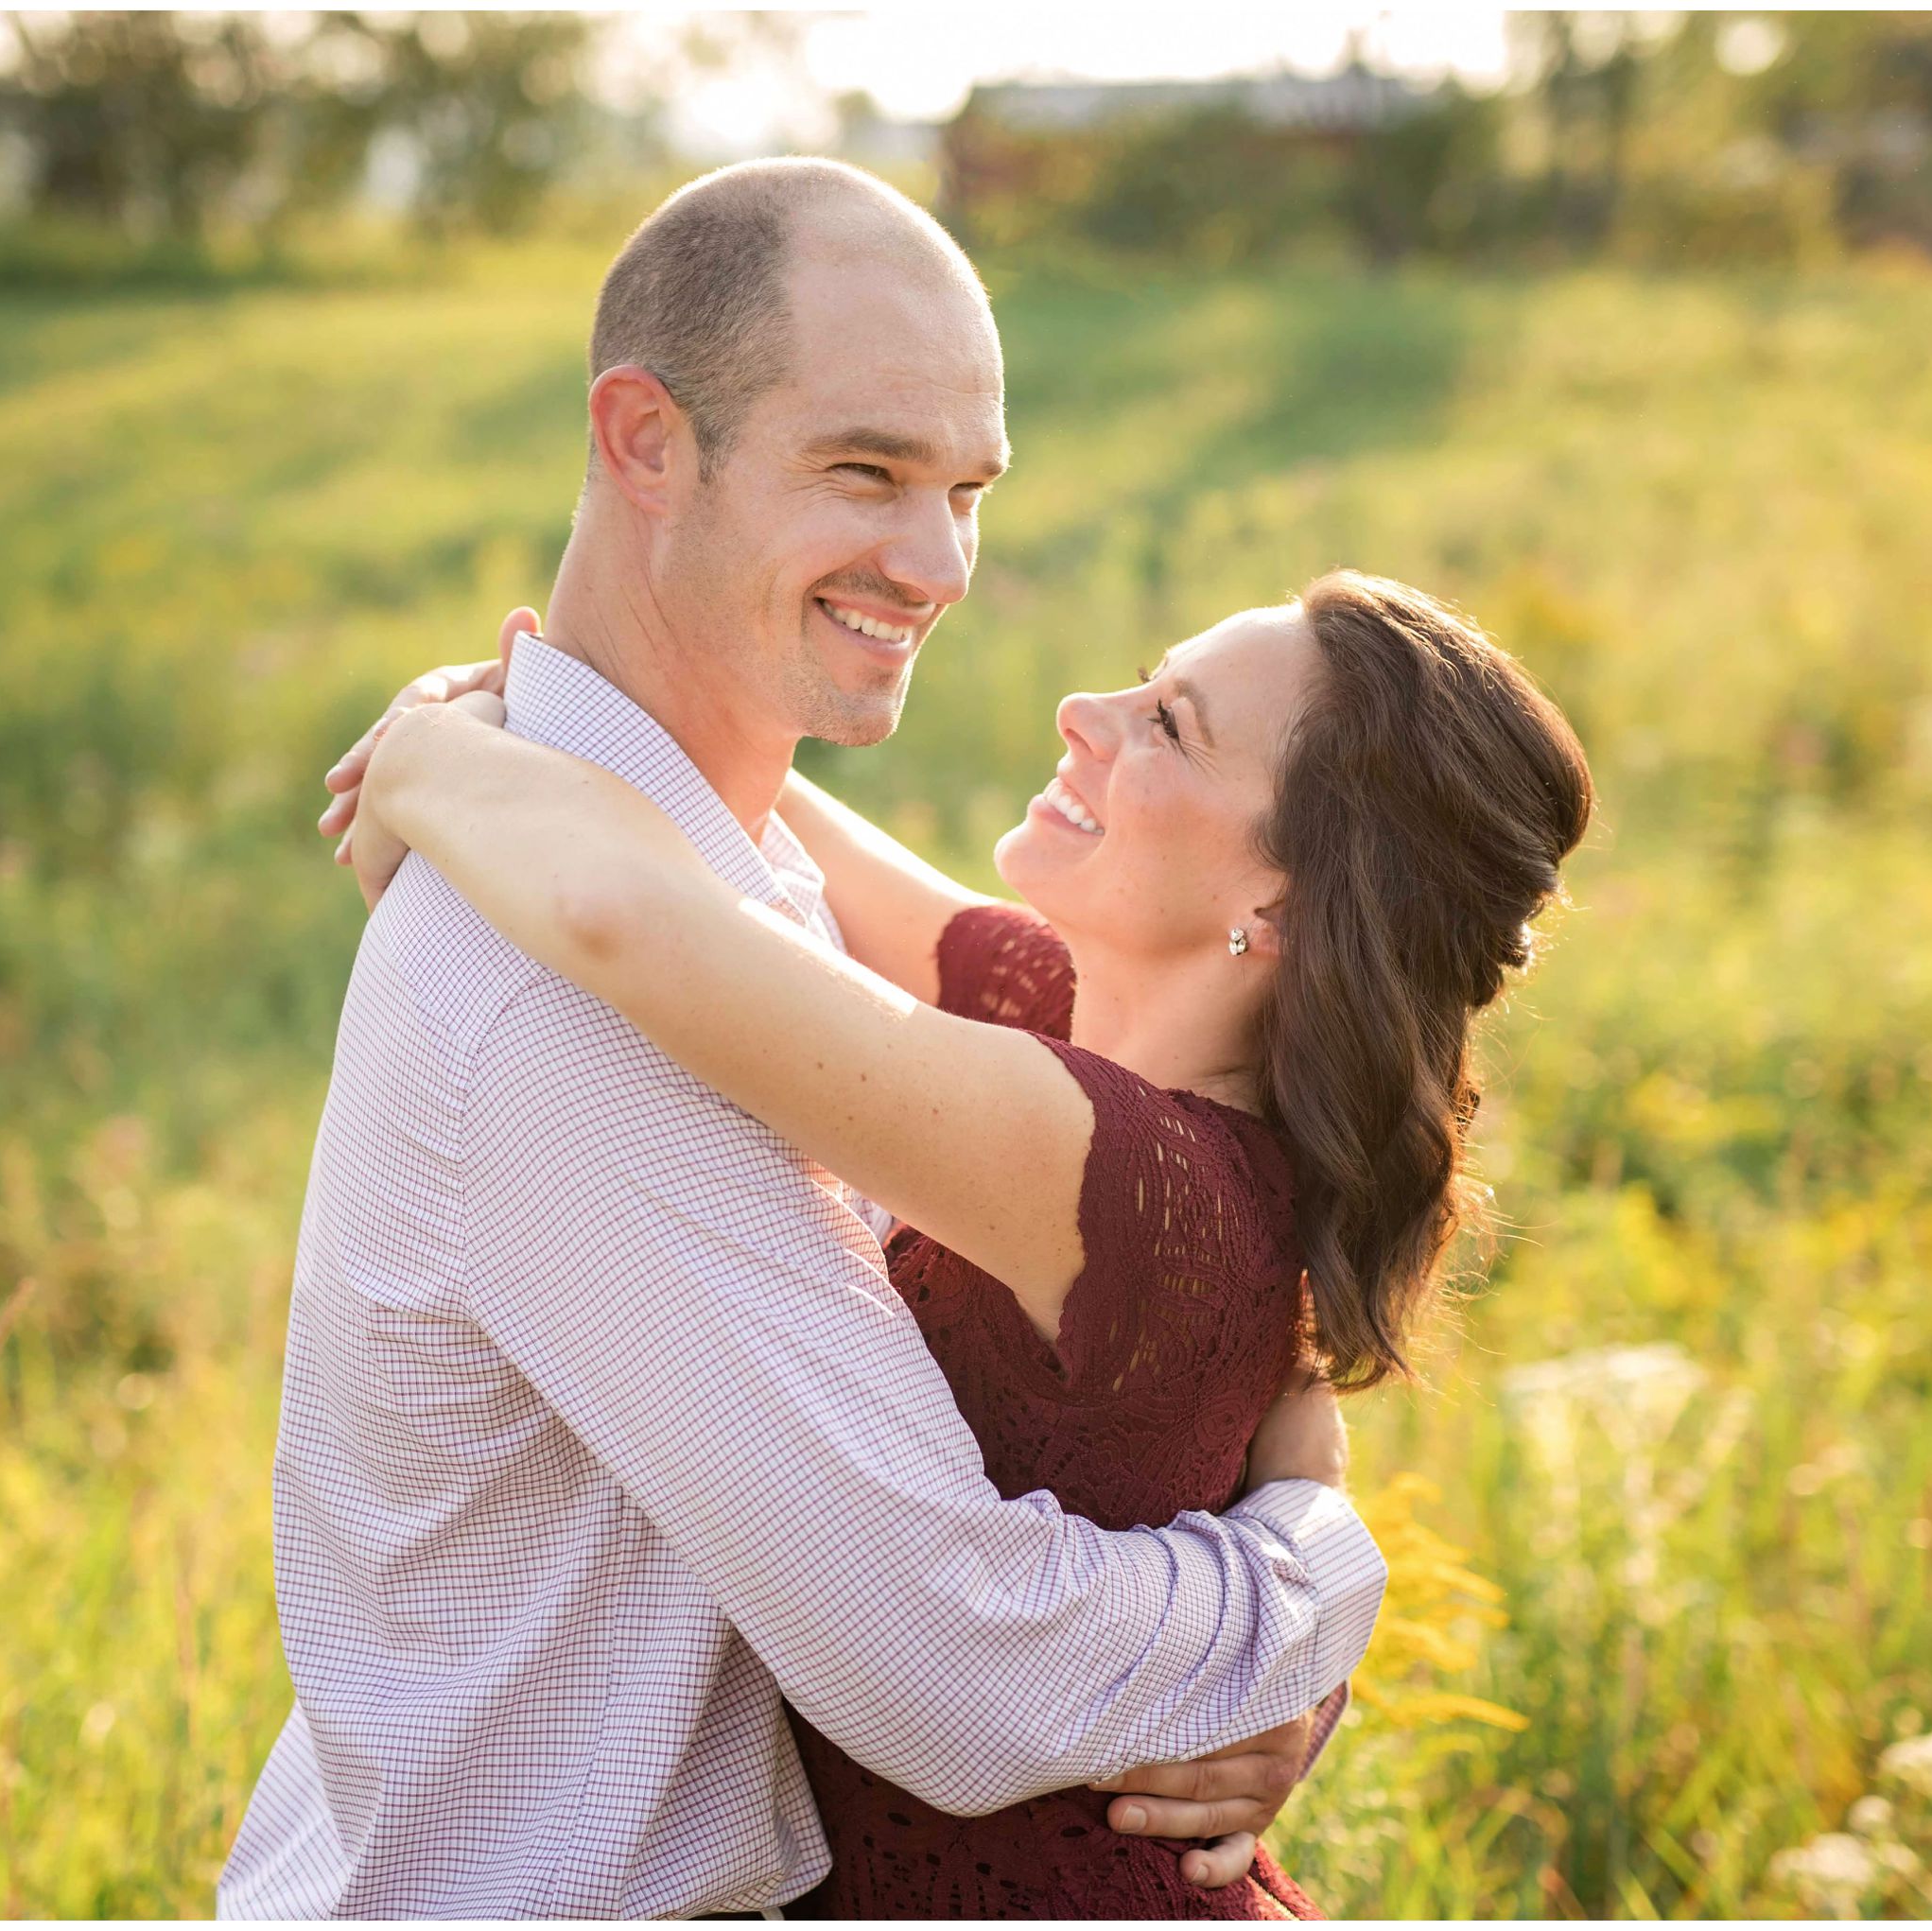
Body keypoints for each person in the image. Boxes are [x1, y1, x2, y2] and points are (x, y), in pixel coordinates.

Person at [220, 159, 1392, 1922]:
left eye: (967, 489)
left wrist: (1299, 1513)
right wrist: (1296, 1594)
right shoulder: (588, 1000)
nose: (935, 563)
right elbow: (959, 1672)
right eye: (863, 471)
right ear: (644, 443)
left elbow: (1209, 1219)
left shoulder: (740, 888)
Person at [335, 566, 1593, 1915]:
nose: (1082, 709)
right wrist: (531, 702)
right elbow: (744, 807)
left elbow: (627, 917)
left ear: (1279, 907)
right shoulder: (1080, 1026)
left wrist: (422, 753)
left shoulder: (1106, 1164)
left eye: (1167, 723)